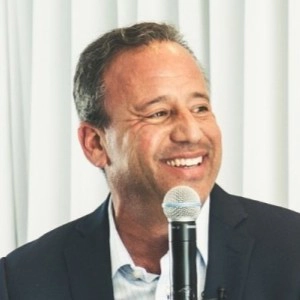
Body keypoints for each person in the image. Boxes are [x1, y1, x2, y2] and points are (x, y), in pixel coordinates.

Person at [1, 22, 300, 300]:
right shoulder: (22, 280)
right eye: (158, 113)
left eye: (199, 108)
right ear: (95, 144)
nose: (191, 133)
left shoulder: (291, 249)